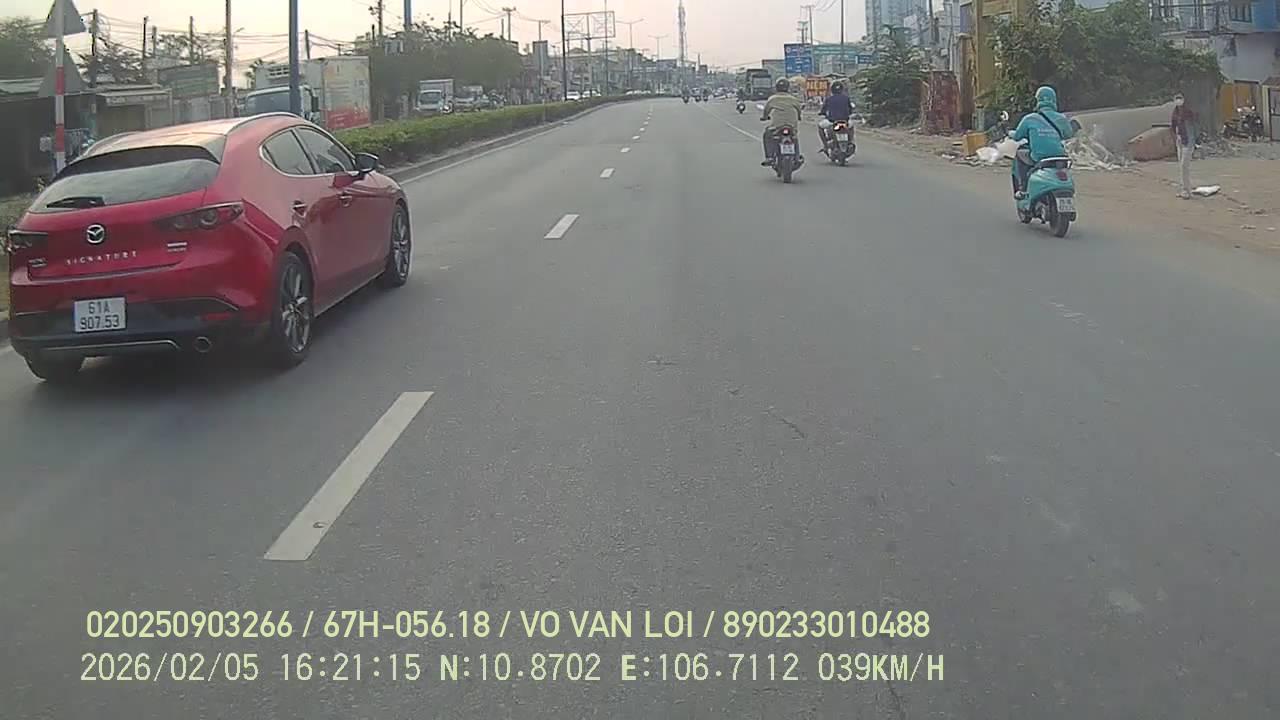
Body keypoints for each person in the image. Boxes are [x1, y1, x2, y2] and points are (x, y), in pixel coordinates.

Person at [1009, 85, 1074, 199]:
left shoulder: (1030, 118)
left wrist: (1011, 133)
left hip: (1039, 157)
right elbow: (1068, 134)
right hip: (1059, 156)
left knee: (1020, 154)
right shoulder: (1062, 118)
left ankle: (1023, 189)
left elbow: (1017, 137)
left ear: (1038, 100)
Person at [761, 78, 804, 166]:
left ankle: (769, 157)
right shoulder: (793, 99)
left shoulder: (772, 99)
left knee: (767, 135)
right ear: (788, 87)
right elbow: (799, 110)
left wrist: (765, 117)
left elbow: (766, 111)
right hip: (791, 125)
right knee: (794, 137)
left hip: (776, 126)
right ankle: (797, 157)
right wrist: (799, 117)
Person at [1170, 92, 1197, 199]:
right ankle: (1184, 189)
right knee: (1181, 167)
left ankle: (1186, 190)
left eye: (1180, 98)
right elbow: (1173, 125)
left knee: (1184, 165)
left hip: (1188, 141)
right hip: (1180, 140)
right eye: (1176, 99)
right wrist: (1176, 136)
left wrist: (1195, 141)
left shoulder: (1187, 112)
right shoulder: (1175, 112)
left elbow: (1193, 127)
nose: (1178, 101)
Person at [818, 82, 855, 153]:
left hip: (832, 121)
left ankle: (825, 145)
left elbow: (823, 110)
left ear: (832, 90)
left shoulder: (829, 99)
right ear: (842, 89)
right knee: (851, 126)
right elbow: (850, 110)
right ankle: (850, 141)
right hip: (845, 121)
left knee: (820, 127)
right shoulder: (846, 98)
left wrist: (822, 113)